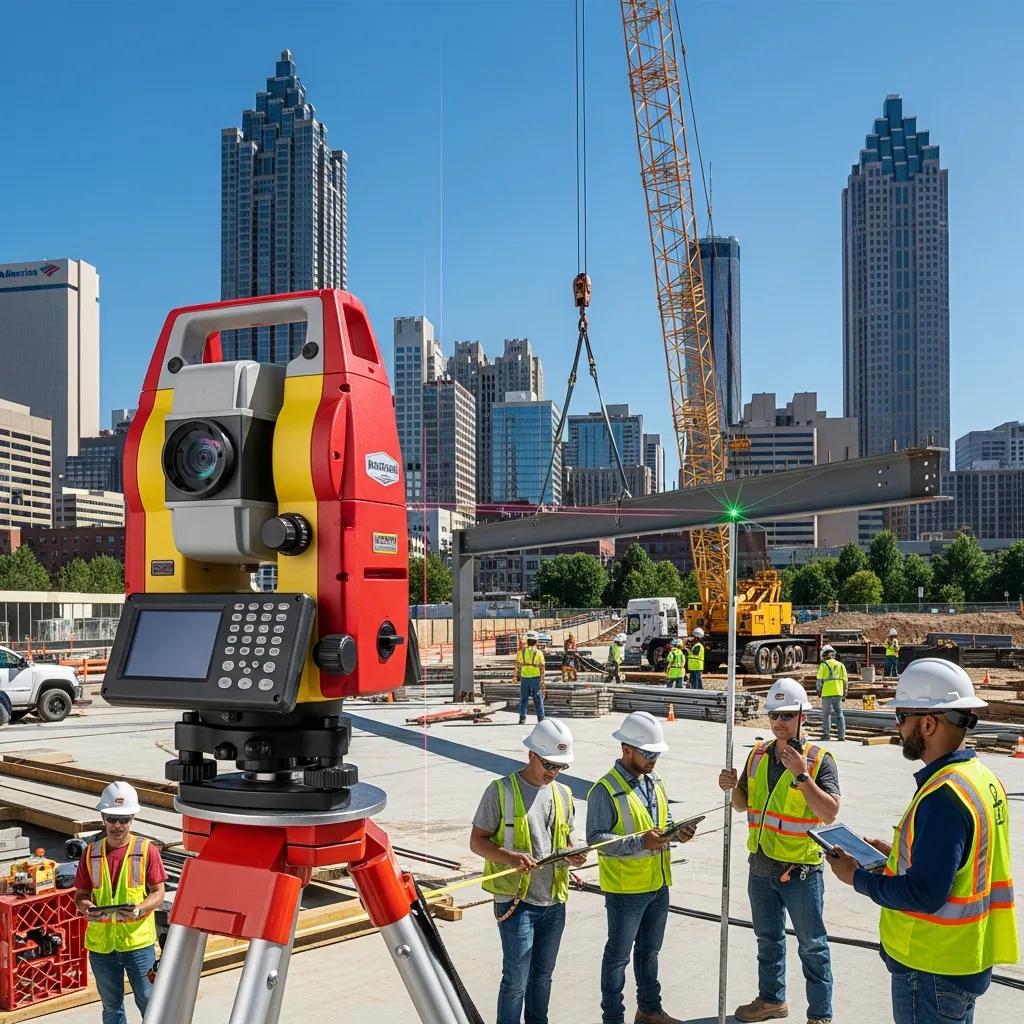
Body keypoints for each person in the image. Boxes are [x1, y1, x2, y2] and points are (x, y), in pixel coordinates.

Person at [826, 659, 1018, 1024]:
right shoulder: (981, 779)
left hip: (931, 968)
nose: (897, 728)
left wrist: (856, 877)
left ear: (928, 723)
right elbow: (962, 863)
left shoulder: (944, 795)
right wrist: (896, 857)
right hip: (964, 959)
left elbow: (926, 894)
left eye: (902, 717)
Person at [718, 679, 840, 1024]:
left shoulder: (818, 760)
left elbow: (829, 813)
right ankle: (771, 1000)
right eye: (774, 714)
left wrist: (802, 776)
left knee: (813, 946)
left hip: (800, 871)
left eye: (787, 715)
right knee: (768, 940)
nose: (779, 722)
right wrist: (731, 788)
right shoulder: (757, 754)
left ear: (803, 717)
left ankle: (821, 1015)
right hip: (761, 867)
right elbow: (743, 805)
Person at [470, 719, 587, 1024]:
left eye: (561, 767)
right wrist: (509, 857)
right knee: (515, 980)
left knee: (543, 977)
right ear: (531, 754)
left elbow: (562, 839)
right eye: (549, 764)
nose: (554, 772)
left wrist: (571, 858)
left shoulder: (562, 793)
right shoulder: (501, 791)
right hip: (516, 902)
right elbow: (477, 842)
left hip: (554, 900)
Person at [587, 711, 694, 1024]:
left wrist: (679, 832)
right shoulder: (604, 790)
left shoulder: (655, 781)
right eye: (648, 754)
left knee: (649, 952)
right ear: (626, 749)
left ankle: (649, 1011)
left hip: (658, 883)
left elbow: (664, 823)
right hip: (626, 890)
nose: (653, 760)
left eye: (657, 754)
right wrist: (639, 844)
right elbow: (596, 840)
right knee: (617, 957)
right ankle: (613, 1018)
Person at [74, 782, 167, 1024]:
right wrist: (87, 908)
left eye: (124, 819)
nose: (117, 825)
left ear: (132, 819)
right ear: (103, 818)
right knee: (111, 1007)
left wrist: (140, 908)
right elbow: (81, 895)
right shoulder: (90, 852)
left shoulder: (146, 850)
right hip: (102, 947)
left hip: (137, 944)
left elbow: (158, 893)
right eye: (112, 819)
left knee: (149, 1001)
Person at [816, 645, 848, 742]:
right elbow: (845, 681)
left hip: (826, 693)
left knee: (826, 715)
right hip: (838, 692)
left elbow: (819, 680)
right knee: (839, 714)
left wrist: (819, 691)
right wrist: (845, 693)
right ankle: (842, 735)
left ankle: (826, 735)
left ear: (825, 654)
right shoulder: (841, 665)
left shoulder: (823, 665)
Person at [516, 631, 546, 725]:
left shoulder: (522, 652)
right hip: (535, 678)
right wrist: (542, 680)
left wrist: (515, 676)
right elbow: (542, 666)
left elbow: (517, 664)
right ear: (536, 641)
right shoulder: (538, 653)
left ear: (528, 641)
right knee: (537, 698)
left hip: (524, 677)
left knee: (524, 698)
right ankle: (541, 719)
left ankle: (522, 718)